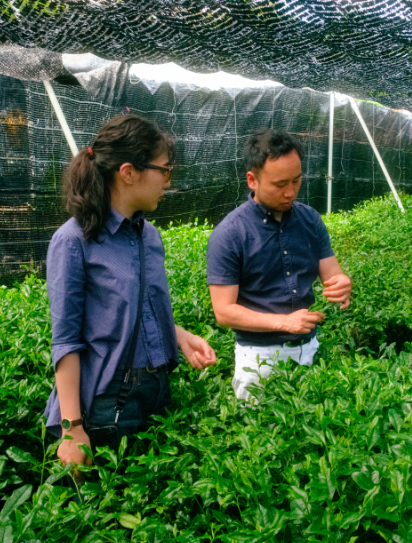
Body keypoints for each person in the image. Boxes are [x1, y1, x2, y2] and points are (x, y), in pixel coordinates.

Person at [44, 114, 217, 474]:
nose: (168, 182)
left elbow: (136, 310)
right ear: (128, 172)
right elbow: (65, 343)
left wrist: (179, 336)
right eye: (164, 171)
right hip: (108, 403)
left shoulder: (149, 236)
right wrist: (72, 429)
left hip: (157, 393)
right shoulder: (74, 241)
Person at [206, 128, 352, 401]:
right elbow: (224, 312)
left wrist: (342, 284)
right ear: (252, 180)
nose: (290, 192)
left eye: (296, 181)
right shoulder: (229, 234)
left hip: (309, 348)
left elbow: (333, 275)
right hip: (258, 359)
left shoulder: (310, 220)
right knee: (260, 438)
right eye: (279, 184)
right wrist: (285, 322)